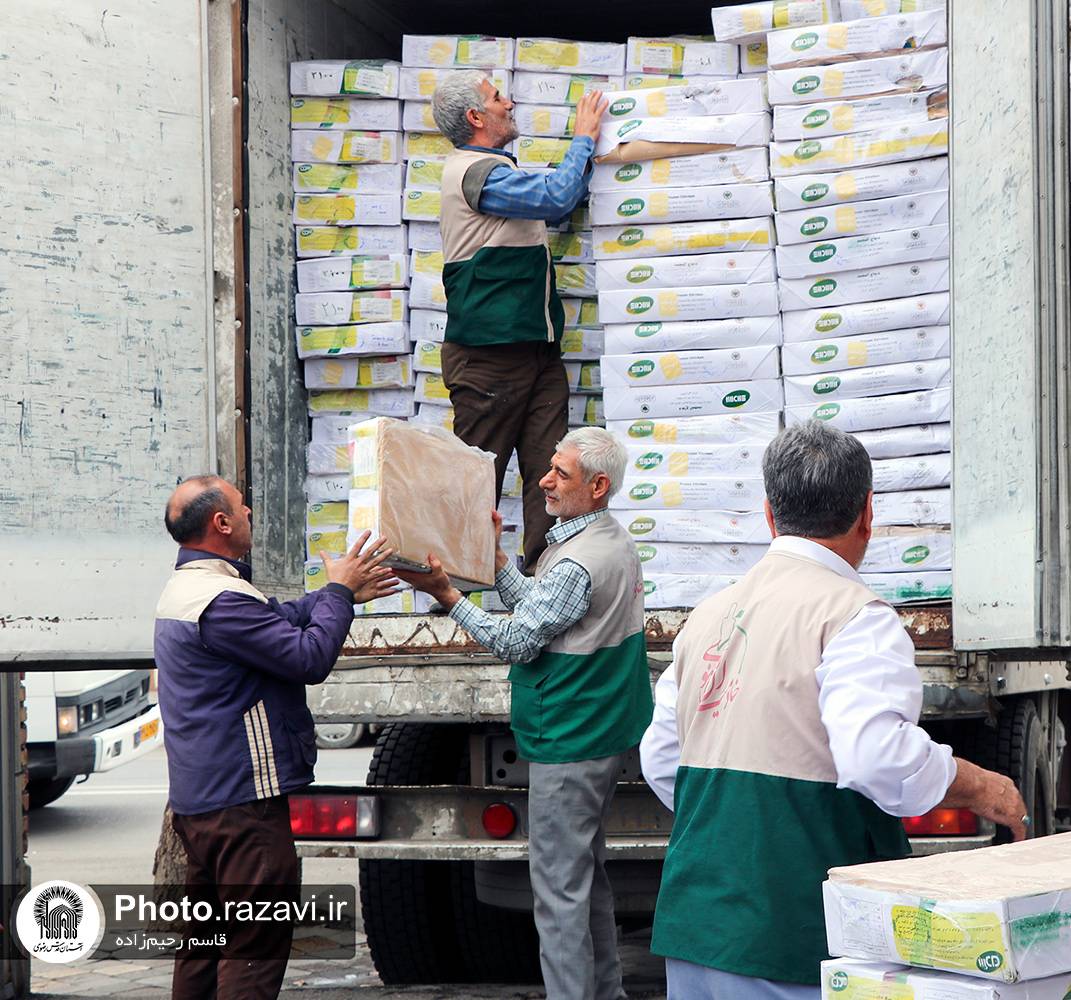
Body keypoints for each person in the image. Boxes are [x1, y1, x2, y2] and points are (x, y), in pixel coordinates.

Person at [639, 421, 1032, 999]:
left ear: (769, 515)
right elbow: (878, 758)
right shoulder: (855, 616)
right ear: (867, 514)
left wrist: (739, 824)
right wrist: (980, 786)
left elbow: (662, 759)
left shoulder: (708, 616)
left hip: (696, 929)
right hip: (798, 936)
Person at [398, 426, 650, 1000]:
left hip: (572, 737)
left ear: (599, 485)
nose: (545, 480)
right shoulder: (601, 538)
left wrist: (449, 597)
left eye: (561, 473)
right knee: (585, 880)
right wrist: (494, 559)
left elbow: (518, 642)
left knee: (558, 892)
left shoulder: (579, 561)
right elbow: (542, 605)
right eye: (551, 467)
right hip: (600, 732)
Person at [153, 475, 396, 1000]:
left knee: (205, 945)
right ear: (221, 523)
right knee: (252, 952)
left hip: (205, 803)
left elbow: (277, 620)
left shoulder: (193, 588)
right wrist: (337, 593)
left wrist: (339, 594)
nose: (250, 515)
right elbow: (308, 658)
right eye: (244, 507)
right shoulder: (220, 600)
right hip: (244, 807)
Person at [430, 70, 607, 570]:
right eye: (497, 97)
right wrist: (584, 138)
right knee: (475, 475)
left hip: (535, 350)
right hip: (489, 358)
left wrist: (586, 163)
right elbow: (554, 198)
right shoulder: (474, 172)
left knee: (553, 473)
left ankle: (545, 574)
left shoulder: (499, 171)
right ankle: (455, 586)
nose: (509, 102)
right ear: (475, 116)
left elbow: (552, 196)